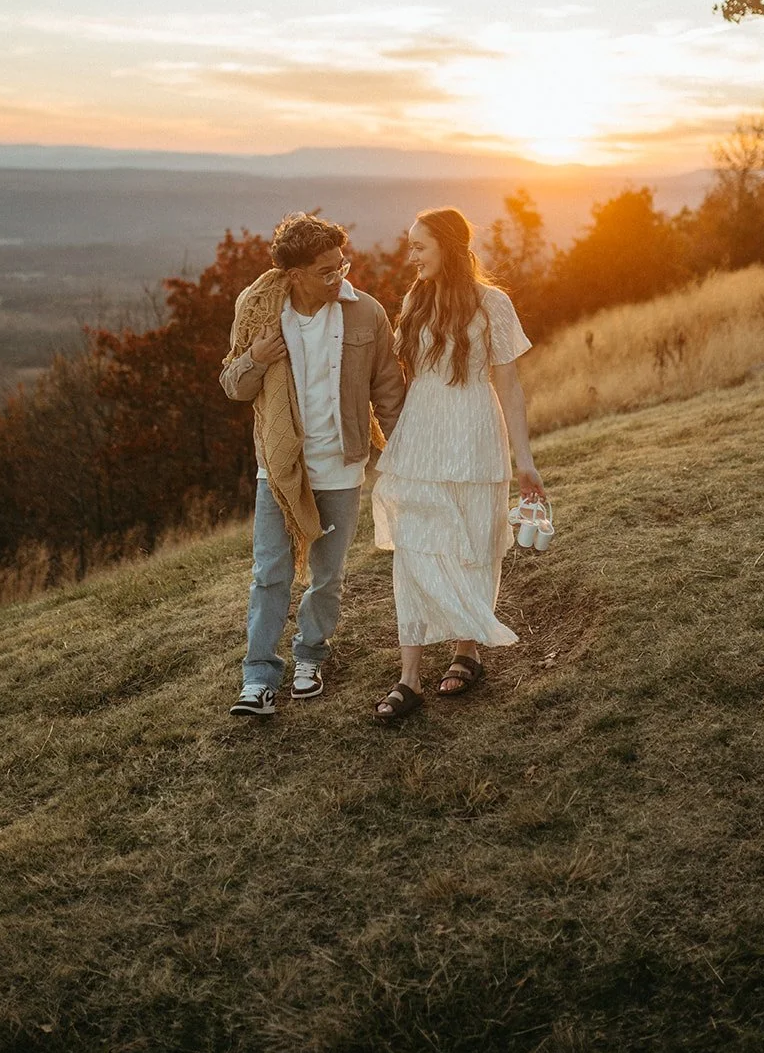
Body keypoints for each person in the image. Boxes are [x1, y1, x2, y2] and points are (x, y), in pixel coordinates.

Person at [220, 212, 405, 718]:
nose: (339, 277)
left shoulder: (366, 313)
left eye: (342, 265)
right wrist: (257, 357)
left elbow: (388, 388)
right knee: (270, 574)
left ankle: (310, 656)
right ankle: (258, 678)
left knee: (328, 576)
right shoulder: (259, 311)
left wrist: (404, 451)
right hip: (280, 470)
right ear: (294, 274)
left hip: (342, 467)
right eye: (326, 271)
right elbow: (233, 386)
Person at [371, 207, 546, 723]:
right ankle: (408, 679)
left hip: (475, 434)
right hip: (422, 435)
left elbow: (509, 386)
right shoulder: (415, 299)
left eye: (419, 246)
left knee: (474, 543)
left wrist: (525, 462)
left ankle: (466, 651)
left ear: (447, 246)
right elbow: (407, 377)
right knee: (413, 548)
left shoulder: (493, 304)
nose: (411, 256)